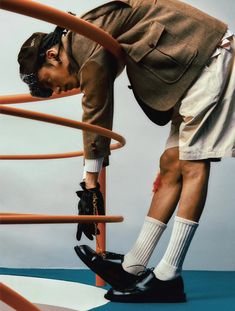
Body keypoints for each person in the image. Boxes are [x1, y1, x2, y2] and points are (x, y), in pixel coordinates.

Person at [17, 0, 235, 303]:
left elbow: (96, 111)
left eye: (49, 82)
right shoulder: (82, 36)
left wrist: (90, 183)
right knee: (171, 164)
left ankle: (168, 276)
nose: (58, 90)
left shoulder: (86, 50)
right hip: (191, 69)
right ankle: (134, 265)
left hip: (208, 59)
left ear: (52, 56)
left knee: (192, 163)